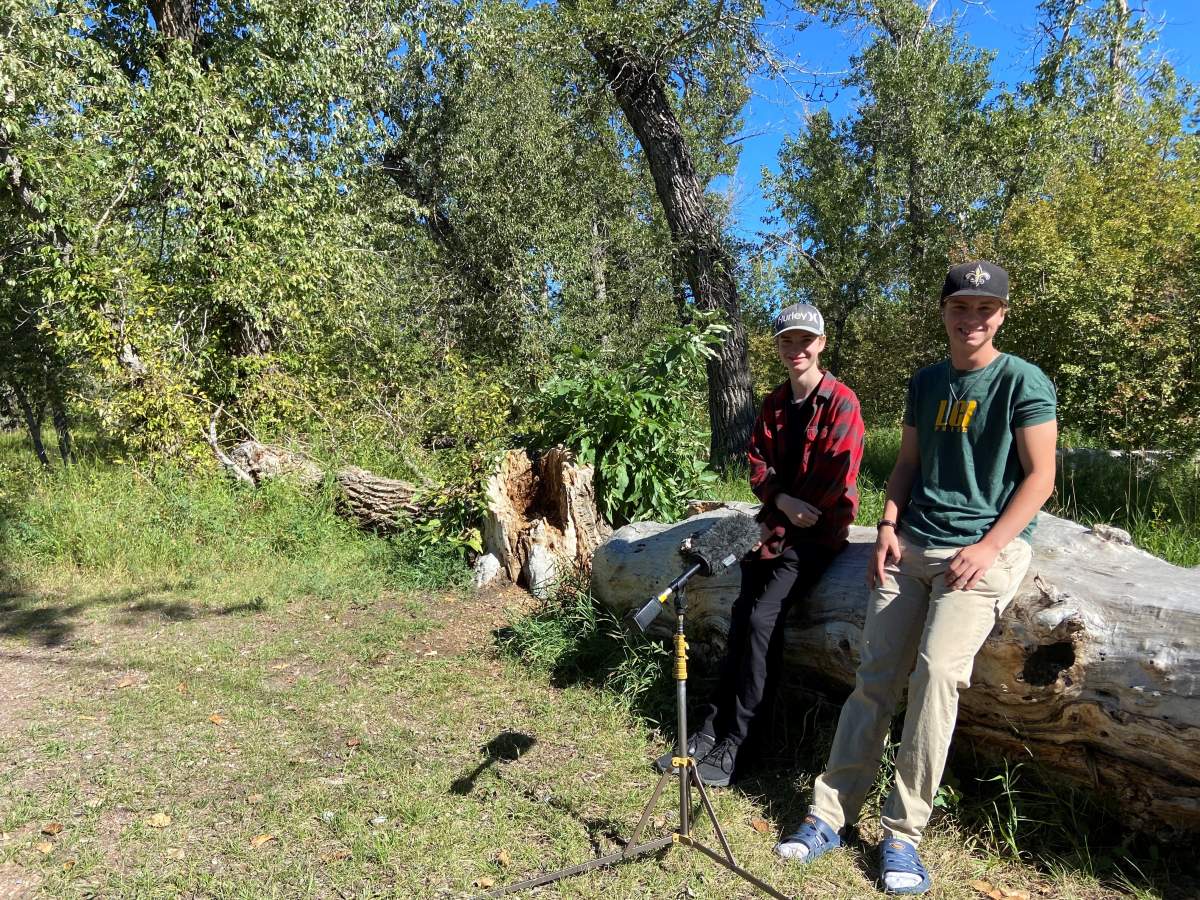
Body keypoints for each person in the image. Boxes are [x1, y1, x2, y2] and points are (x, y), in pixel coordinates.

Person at [774, 261, 1058, 895]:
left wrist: (988, 547)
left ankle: (902, 834)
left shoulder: (1022, 381)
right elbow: (906, 464)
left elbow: (1040, 478)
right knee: (874, 675)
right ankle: (829, 813)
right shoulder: (927, 383)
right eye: (961, 306)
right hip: (915, 545)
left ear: (1002, 315)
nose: (972, 318)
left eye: (985, 308)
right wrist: (886, 527)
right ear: (945, 314)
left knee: (935, 675)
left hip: (984, 551)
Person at [656, 301, 865, 787]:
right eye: (787, 341)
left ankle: (740, 743)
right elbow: (757, 465)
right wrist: (779, 501)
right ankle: (708, 731)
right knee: (738, 614)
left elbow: (833, 477)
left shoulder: (841, 402)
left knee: (759, 622)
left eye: (805, 340)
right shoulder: (773, 404)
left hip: (817, 533)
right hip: (772, 523)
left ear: (821, 344)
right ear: (777, 347)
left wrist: (788, 509)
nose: (797, 349)